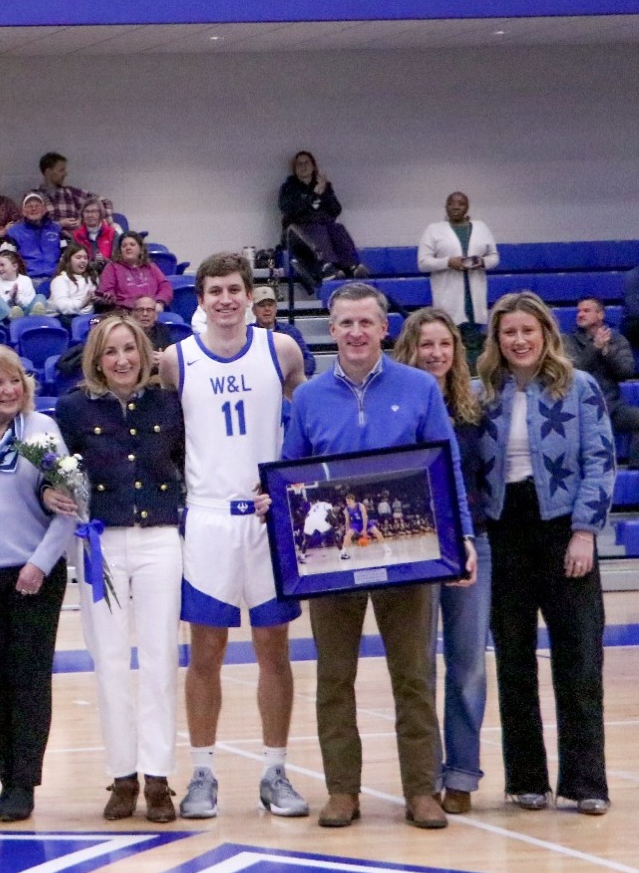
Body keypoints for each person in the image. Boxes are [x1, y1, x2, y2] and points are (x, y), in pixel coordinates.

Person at [282, 282, 476, 830]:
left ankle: (421, 791)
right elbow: (290, 469)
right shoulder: (310, 397)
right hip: (331, 561)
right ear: (332, 328)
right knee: (334, 678)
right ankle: (343, 791)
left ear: (384, 328)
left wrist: (459, 534)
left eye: (366, 322)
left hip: (411, 555)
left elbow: (447, 466)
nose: (355, 333)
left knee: (413, 676)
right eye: (345, 323)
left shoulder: (418, 388)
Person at [158, 251, 310, 820]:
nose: (225, 299)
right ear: (200, 300)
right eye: (214, 290)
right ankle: (202, 773)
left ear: (250, 296)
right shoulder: (176, 361)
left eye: (234, 289)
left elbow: (312, 418)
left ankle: (276, 771)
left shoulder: (283, 351)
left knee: (275, 651)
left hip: (270, 518)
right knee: (206, 653)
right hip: (207, 517)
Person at [476, 291, 614, 815]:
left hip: (563, 529)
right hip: (503, 530)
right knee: (513, 658)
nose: (518, 340)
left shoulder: (579, 387)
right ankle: (526, 778)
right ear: (497, 339)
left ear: (545, 334)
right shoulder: (482, 392)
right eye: (508, 332)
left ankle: (585, 782)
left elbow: (600, 462)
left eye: (527, 331)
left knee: (579, 658)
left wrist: (585, 531)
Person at [52, 314, 185, 822]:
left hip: (158, 539)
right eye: (111, 352)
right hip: (100, 542)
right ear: (96, 359)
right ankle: (122, 775)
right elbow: (57, 474)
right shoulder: (71, 409)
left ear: (145, 352)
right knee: (108, 661)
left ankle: (157, 777)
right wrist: (51, 494)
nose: (122, 360)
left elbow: (185, 461)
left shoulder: (169, 403)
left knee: (159, 660)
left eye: (130, 349)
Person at [0, 344, 75, 822]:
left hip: (33, 575)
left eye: (16, 379)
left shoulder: (41, 431)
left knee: (27, 680)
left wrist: (40, 562)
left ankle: (24, 783)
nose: (9, 390)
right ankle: (5, 778)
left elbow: (69, 504)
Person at [391, 306, 490, 814]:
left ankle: (462, 774)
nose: (436, 354)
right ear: (411, 348)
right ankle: (423, 777)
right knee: (418, 667)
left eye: (445, 344)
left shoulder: (477, 408)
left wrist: (473, 535)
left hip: (472, 544)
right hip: (416, 546)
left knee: (469, 663)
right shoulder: (400, 404)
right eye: (426, 344)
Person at [563, 298, 639, 465]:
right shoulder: (567, 341)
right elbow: (572, 372)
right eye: (578, 311)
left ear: (600, 314)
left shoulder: (617, 340)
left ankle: (635, 476)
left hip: (612, 407)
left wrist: (606, 351)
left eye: (586, 310)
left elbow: (626, 372)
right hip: (579, 410)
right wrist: (595, 348)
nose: (580, 314)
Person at [418, 192, 499, 342]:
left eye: (461, 204)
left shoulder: (481, 227)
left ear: (467, 207)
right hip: (448, 296)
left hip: (475, 296)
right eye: (451, 203)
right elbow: (423, 263)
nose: (455, 207)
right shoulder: (433, 229)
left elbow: (494, 257)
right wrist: (448, 262)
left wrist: (481, 261)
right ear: (445, 207)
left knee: (475, 342)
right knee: (449, 339)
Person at [278, 150, 365, 287]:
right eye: (299, 164)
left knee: (337, 228)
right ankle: (327, 268)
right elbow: (290, 211)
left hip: (324, 226)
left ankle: (352, 266)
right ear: (294, 169)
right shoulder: (289, 188)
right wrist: (314, 194)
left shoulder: (325, 186)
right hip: (298, 233)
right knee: (318, 228)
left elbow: (336, 210)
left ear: (313, 166)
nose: (303, 166)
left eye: (306, 163)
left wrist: (324, 194)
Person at [33, 152, 112, 232]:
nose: (65, 174)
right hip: (48, 240)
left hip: (76, 239)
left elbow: (104, 201)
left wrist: (106, 219)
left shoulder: (70, 193)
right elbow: (30, 225)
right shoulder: (33, 197)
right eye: (61, 170)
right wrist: (58, 224)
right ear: (48, 172)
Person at [98, 233, 174, 314]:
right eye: (124, 246)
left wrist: (159, 302)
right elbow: (107, 291)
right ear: (120, 251)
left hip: (151, 311)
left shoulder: (151, 267)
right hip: (124, 314)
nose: (128, 248)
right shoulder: (112, 267)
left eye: (132, 245)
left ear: (140, 249)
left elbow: (165, 286)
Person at [6, 192, 64, 280]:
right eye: (29, 206)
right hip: (29, 279)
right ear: (23, 212)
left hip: (56, 278)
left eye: (37, 206)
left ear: (44, 210)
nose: (33, 209)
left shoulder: (57, 229)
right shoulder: (13, 232)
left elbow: (66, 255)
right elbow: (8, 260)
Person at [0, 249, 46, 321]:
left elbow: (29, 303)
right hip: (4, 320)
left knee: (40, 297)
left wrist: (18, 297)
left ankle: (35, 319)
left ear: (14, 266)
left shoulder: (25, 280)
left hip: (24, 316)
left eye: (2, 265)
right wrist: (9, 296)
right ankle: (12, 317)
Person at [48, 246, 97, 317]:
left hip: (88, 317)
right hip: (62, 317)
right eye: (78, 257)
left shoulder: (92, 278)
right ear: (68, 260)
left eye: (85, 258)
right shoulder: (60, 279)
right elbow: (61, 306)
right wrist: (82, 303)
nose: (83, 260)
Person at [69, 199, 118, 268]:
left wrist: (105, 260)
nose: (90, 215)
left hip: (107, 273)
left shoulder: (112, 233)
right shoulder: (76, 235)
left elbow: (117, 263)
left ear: (100, 214)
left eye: (94, 211)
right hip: (83, 274)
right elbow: (72, 261)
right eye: (86, 212)